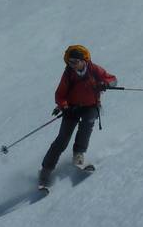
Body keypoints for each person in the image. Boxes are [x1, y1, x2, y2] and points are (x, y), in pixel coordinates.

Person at [39, 44, 116, 187]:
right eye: (70, 62)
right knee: (62, 139)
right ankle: (45, 171)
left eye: (75, 62)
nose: (72, 65)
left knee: (87, 126)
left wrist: (105, 83)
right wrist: (65, 107)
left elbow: (112, 79)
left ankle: (78, 156)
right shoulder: (69, 73)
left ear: (83, 60)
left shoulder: (94, 69)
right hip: (72, 108)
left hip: (91, 106)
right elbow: (60, 94)